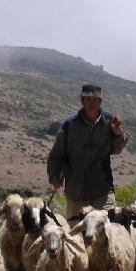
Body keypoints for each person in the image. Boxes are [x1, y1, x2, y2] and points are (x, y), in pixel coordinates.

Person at [47, 83, 129, 219]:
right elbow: (56, 155)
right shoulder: (70, 124)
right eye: (88, 99)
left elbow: (117, 149)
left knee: (105, 231)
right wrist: (55, 176)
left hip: (102, 189)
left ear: (100, 101)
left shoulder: (110, 121)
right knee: (75, 236)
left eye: (95, 99)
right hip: (76, 192)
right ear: (82, 101)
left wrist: (117, 134)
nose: (92, 103)